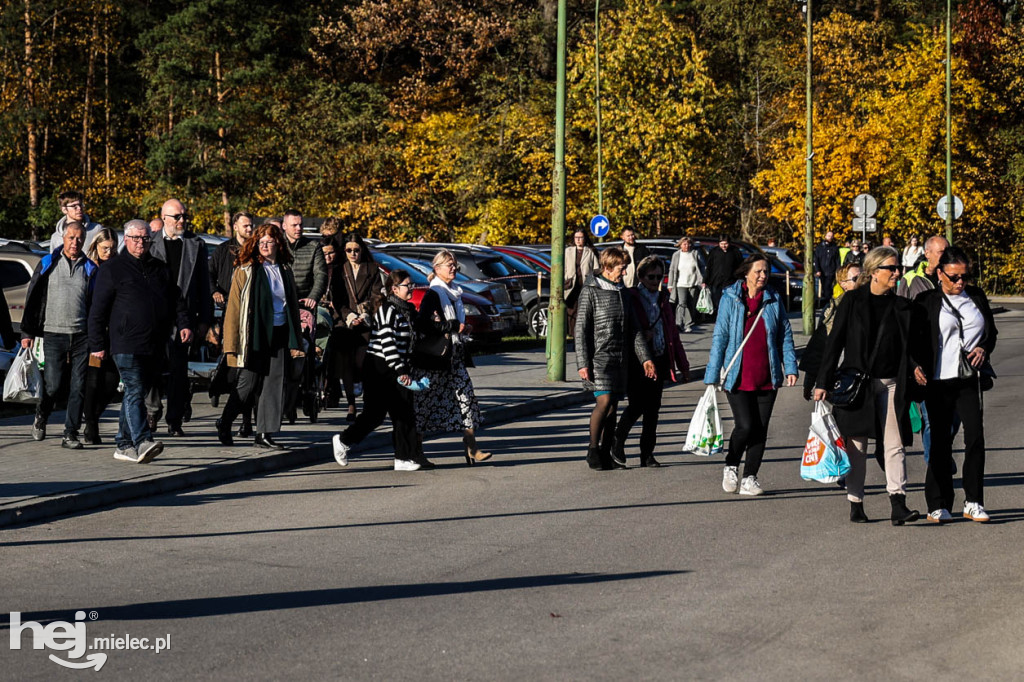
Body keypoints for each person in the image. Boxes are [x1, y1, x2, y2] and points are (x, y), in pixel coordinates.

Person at [814, 247, 923, 525]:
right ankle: (856, 502)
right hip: (857, 385)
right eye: (891, 268)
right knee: (857, 447)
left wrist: (915, 366)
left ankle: (898, 503)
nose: (897, 273)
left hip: (892, 384)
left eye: (898, 268)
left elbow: (908, 347)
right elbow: (835, 341)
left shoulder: (902, 306)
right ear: (874, 272)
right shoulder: (852, 301)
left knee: (895, 444)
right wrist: (822, 381)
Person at [88, 220, 187, 463]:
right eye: (135, 238)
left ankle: (123, 444)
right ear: (126, 239)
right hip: (125, 342)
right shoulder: (113, 269)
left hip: (154, 343)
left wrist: (184, 323)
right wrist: (97, 344)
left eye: (145, 239)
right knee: (134, 388)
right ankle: (143, 440)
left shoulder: (159, 268)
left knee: (137, 391)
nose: (140, 243)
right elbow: (97, 310)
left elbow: (176, 299)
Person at [914, 247, 997, 523]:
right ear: (940, 273)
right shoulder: (926, 301)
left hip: (968, 379)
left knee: (975, 438)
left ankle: (973, 501)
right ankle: (938, 504)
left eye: (965, 276)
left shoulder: (976, 297)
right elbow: (912, 338)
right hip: (938, 381)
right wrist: (914, 365)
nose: (960, 282)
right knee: (940, 440)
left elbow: (991, 333)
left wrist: (983, 348)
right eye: (954, 277)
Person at [704, 255, 798, 496]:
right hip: (738, 374)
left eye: (766, 271)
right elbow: (720, 336)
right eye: (758, 271)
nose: (763, 275)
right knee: (745, 425)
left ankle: (750, 478)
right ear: (746, 273)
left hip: (767, 374)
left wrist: (790, 367)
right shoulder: (731, 298)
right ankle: (731, 464)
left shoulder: (773, 298)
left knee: (760, 429)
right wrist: (712, 373)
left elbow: (784, 335)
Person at [217, 223, 303, 449]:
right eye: (260, 242)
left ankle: (264, 433)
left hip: (279, 332)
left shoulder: (285, 270)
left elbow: (291, 306)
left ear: (278, 244)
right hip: (253, 336)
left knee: (274, 384)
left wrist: (296, 339)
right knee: (247, 384)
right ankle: (225, 422)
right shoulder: (246, 270)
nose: (264, 246)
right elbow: (234, 308)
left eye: (269, 242)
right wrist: (231, 343)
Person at [331, 270, 424, 471]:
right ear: (394, 289)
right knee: (375, 415)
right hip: (379, 367)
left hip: (397, 365)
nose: (411, 289)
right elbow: (388, 343)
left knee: (404, 412)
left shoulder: (407, 309)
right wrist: (401, 371)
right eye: (408, 285)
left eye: (412, 285)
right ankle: (343, 440)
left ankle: (403, 457)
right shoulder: (387, 310)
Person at [575, 247, 652, 470]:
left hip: (620, 358)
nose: (624, 272)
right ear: (608, 267)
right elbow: (581, 329)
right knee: (605, 401)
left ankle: (606, 453)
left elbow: (635, 329)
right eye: (621, 268)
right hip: (599, 358)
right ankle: (593, 449)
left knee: (613, 407)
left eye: (625, 268)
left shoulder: (623, 292)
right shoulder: (590, 291)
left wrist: (645, 358)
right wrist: (582, 362)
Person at [20, 222, 96, 448]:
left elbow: (96, 305)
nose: (75, 242)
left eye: (79, 238)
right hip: (53, 333)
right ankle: (41, 415)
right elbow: (33, 297)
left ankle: (70, 433)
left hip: (82, 336)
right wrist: (27, 331)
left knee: (78, 386)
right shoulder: (48, 263)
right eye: (71, 237)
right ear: (63, 238)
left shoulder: (90, 268)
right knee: (53, 385)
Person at [413, 249, 490, 467]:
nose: (453, 268)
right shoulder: (434, 293)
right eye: (449, 265)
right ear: (437, 268)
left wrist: (463, 329)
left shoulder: (455, 292)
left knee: (466, 398)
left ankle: (471, 446)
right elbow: (423, 324)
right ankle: (416, 451)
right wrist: (452, 326)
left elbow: (454, 324)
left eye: (455, 264)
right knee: (425, 404)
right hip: (435, 358)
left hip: (454, 355)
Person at [612, 256, 689, 467]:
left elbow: (673, 334)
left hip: (660, 356)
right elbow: (623, 328)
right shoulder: (631, 297)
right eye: (651, 277)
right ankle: (617, 442)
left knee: (653, 409)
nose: (655, 281)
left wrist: (683, 365)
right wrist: (641, 336)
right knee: (637, 405)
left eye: (659, 277)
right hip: (638, 360)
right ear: (641, 276)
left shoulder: (664, 299)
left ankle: (647, 454)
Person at [147, 198, 212, 436]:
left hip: (184, 318)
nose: (182, 220)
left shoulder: (196, 244)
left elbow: (204, 284)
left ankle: (174, 420)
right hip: (155, 317)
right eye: (177, 216)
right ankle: (152, 411)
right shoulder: (150, 242)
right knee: (152, 368)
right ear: (164, 218)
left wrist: (204, 320)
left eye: (185, 216)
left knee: (178, 371)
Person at [896, 234, 951, 465]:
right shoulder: (910, 280)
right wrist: (911, 362)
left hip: (950, 358)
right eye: (941, 251)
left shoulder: (953, 276)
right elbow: (900, 321)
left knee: (951, 418)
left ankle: (941, 452)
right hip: (925, 358)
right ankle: (935, 464)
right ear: (927, 254)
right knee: (930, 418)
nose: (946, 255)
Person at [329, 231, 383, 422]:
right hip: (345, 322)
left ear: (362, 250)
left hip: (365, 321)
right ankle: (351, 405)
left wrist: (365, 313)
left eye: (356, 250)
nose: (353, 254)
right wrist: (350, 316)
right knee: (346, 363)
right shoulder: (339, 270)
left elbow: (377, 295)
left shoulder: (372, 269)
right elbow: (336, 298)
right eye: (349, 250)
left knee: (360, 361)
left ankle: (360, 385)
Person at [281, 209, 327, 422]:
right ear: (284, 226)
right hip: (282, 305)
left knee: (303, 352)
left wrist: (313, 297)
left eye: (300, 224)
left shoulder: (313, 247)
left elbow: (320, 275)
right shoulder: (277, 246)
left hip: (304, 306)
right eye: (294, 225)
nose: (298, 228)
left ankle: (302, 392)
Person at [81, 227, 121, 445]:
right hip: (92, 332)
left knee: (111, 381)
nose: (108, 252)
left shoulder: (117, 267)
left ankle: (93, 416)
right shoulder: (89, 268)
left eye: (112, 249)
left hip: (113, 333)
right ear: (96, 246)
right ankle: (91, 425)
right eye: (105, 248)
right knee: (93, 380)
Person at [801, 262, 861, 401]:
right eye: (856, 278)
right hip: (840, 376)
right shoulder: (832, 309)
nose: (862, 281)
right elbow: (819, 345)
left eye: (864, 277)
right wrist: (810, 382)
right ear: (843, 284)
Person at [209, 211, 254, 310]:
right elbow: (209, 273)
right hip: (228, 305)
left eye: (251, 226)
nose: (250, 229)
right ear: (235, 227)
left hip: (251, 306)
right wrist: (215, 291)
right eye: (245, 226)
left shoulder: (256, 250)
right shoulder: (223, 250)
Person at [563, 228, 599, 337]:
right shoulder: (568, 251)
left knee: (583, 311)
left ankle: (581, 334)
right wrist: (565, 278)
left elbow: (596, 268)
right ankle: (572, 334)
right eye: (576, 237)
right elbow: (563, 267)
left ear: (585, 238)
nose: (578, 240)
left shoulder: (590, 251)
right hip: (571, 285)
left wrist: (592, 281)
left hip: (585, 285)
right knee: (571, 310)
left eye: (581, 237)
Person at [667, 236, 704, 333]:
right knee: (682, 303)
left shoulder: (695, 253)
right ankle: (679, 323)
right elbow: (672, 270)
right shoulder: (676, 255)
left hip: (693, 283)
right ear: (680, 245)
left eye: (688, 244)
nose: (687, 246)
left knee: (691, 303)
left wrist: (702, 280)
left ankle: (688, 324)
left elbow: (702, 267)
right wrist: (670, 284)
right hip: (680, 283)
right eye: (684, 244)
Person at [703, 234, 743, 318]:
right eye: (721, 244)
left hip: (731, 282)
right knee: (717, 301)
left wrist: (740, 278)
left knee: (729, 300)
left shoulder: (735, 251)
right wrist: (705, 280)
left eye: (726, 244)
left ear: (729, 243)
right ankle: (719, 316)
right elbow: (709, 267)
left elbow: (740, 266)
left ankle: (727, 316)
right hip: (716, 280)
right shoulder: (714, 252)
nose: (724, 246)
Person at [813, 230, 840, 306]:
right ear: (825, 236)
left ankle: (828, 303)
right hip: (822, 271)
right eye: (828, 236)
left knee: (827, 287)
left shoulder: (834, 247)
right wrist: (817, 270)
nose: (830, 237)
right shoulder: (820, 247)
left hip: (831, 271)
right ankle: (829, 302)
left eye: (831, 236)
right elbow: (816, 259)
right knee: (825, 288)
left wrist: (837, 270)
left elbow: (837, 260)